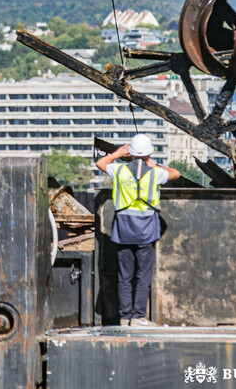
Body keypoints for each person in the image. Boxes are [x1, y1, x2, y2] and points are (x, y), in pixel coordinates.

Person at [96, 134, 180, 327]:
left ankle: (125, 317)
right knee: (143, 274)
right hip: (146, 228)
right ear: (149, 153)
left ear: (130, 153)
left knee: (124, 276)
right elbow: (175, 173)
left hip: (123, 227)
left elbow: (101, 163)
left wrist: (116, 153)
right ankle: (138, 317)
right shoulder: (155, 173)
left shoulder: (119, 170)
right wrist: (153, 164)